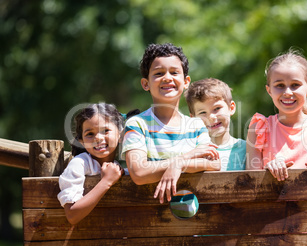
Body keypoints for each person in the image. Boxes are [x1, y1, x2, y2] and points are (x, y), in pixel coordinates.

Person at [122, 43, 220, 204]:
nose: (167, 77)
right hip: (145, 221)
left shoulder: (196, 126)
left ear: (186, 81)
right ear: (145, 84)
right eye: (159, 73)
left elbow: (214, 163)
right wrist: (183, 160)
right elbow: (139, 173)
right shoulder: (137, 124)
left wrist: (179, 165)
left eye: (174, 72)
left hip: (191, 222)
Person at [246, 49, 307, 181]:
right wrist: (268, 169)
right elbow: (250, 180)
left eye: (295, 85)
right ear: (269, 90)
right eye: (280, 85)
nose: (288, 92)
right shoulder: (259, 128)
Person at [58, 103, 127, 225]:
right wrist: (106, 182)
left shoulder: (120, 169)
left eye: (105, 131)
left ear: (121, 135)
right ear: (81, 141)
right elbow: (72, 215)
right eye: (90, 134)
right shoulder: (79, 164)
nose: (98, 138)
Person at [185, 78, 246, 171]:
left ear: (231, 108)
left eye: (217, 108)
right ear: (193, 118)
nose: (211, 117)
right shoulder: (191, 152)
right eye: (202, 113)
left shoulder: (247, 149)